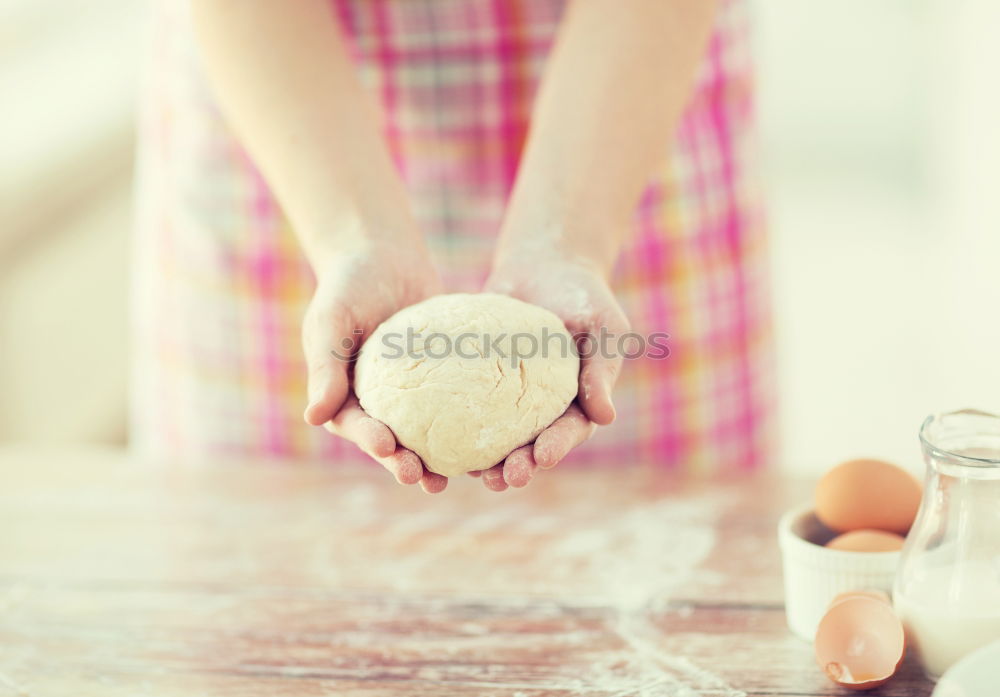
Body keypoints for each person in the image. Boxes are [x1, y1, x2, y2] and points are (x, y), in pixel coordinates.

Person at [131, 0, 775, 493]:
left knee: (670, 532)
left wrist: (570, 245)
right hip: (290, 124)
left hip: (621, 115)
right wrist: (355, 241)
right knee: (264, 564)